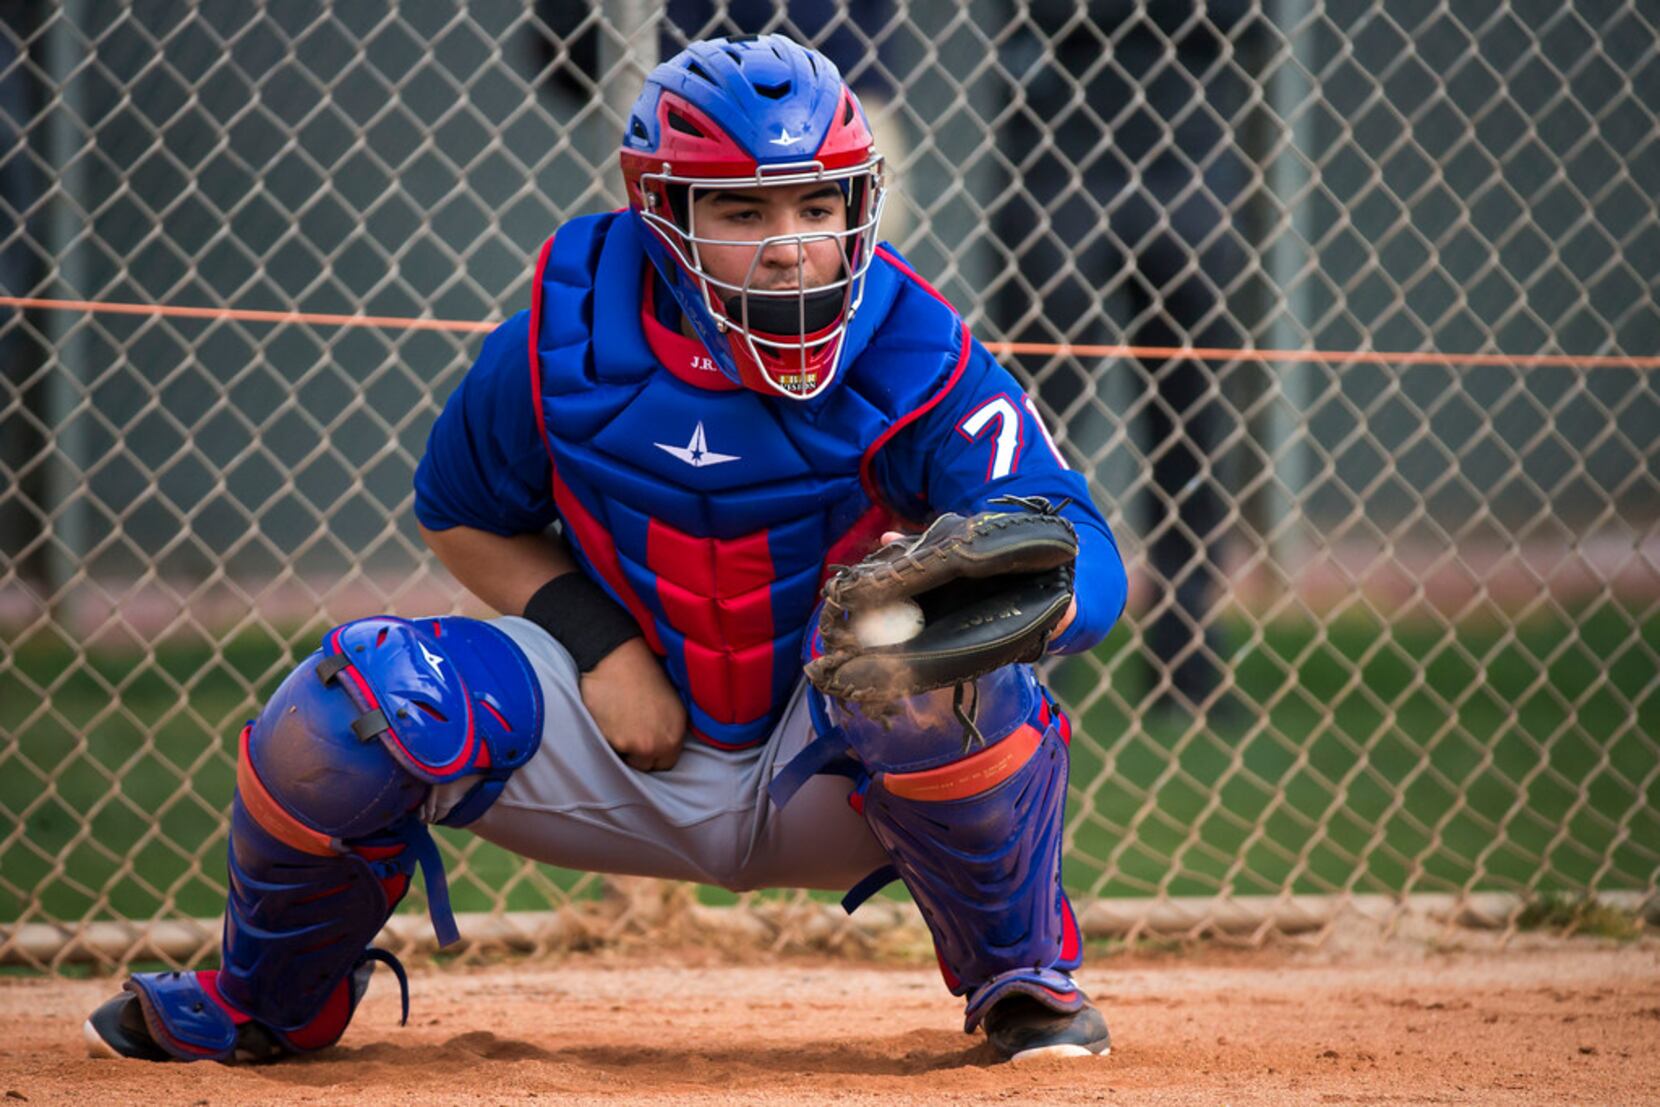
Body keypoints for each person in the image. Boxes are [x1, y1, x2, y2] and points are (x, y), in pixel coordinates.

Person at [81, 34, 1128, 1065]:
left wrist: (1001, 600)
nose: (790, 244)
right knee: (353, 707)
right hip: (616, 741)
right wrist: (601, 645)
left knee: (933, 668)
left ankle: (1021, 986)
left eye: (819, 205)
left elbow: (1076, 541)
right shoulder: (570, 323)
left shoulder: (914, 344)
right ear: (657, 208)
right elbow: (457, 511)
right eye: (740, 209)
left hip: (825, 751)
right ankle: (265, 1002)